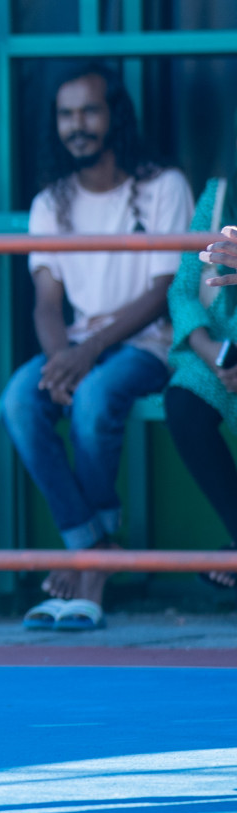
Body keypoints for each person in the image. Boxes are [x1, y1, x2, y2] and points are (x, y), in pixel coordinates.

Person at [0, 63, 193, 631]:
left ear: (114, 115)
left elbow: (164, 294)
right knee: (18, 400)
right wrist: (63, 358)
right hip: (81, 345)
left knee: (94, 397)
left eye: (88, 110)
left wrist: (86, 357)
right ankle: (93, 546)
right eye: (65, 114)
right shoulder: (49, 203)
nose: (76, 125)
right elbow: (45, 302)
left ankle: (86, 568)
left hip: (149, 346)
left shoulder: (164, 187)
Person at [160, 181, 237, 592]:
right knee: (185, 402)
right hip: (221, 348)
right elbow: (183, 290)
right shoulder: (219, 198)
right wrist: (210, 350)